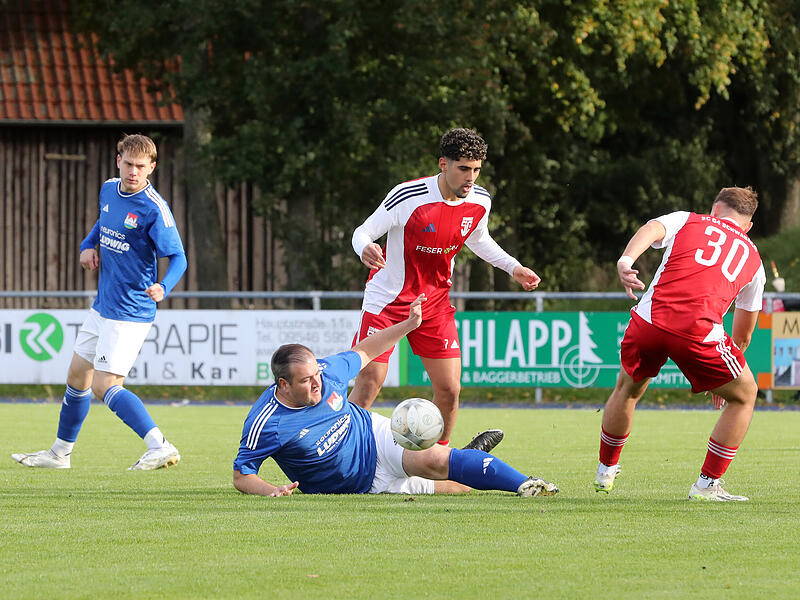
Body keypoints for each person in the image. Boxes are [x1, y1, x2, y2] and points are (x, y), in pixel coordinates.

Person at [233, 295, 558, 497]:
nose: (317, 383)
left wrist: (409, 324)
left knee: (434, 461)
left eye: (317, 375)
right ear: (283, 384)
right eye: (306, 381)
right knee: (459, 487)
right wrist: (270, 490)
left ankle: (527, 485)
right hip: (364, 485)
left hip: (377, 438)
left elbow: (365, 349)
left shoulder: (326, 372)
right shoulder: (267, 422)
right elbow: (242, 473)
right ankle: (471, 455)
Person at [349, 128, 540, 449]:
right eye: (464, 168)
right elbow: (362, 231)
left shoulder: (480, 200)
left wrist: (513, 267)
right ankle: (343, 452)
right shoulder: (407, 196)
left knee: (450, 389)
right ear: (443, 164)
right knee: (369, 382)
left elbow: (479, 239)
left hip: (434, 305)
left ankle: (441, 459)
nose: (471, 177)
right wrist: (365, 247)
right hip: (388, 304)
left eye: (477, 169)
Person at [12, 134, 188, 471]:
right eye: (128, 163)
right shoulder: (109, 189)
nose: (133, 171)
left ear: (151, 168)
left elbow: (178, 257)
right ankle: (60, 453)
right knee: (78, 376)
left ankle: (159, 445)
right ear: (117, 160)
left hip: (130, 311)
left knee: (105, 385)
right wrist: (86, 245)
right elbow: (102, 223)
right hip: (102, 306)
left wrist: (164, 287)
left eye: (141, 166)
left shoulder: (154, 208)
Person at [593, 186, 766, 501]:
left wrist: (626, 259)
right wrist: (723, 380)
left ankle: (605, 472)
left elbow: (651, 228)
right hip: (699, 331)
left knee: (626, 389)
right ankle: (706, 485)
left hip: (649, 321)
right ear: (749, 226)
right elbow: (743, 333)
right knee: (745, 395)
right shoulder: (753, 258)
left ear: (714, 209)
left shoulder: (688, 219)